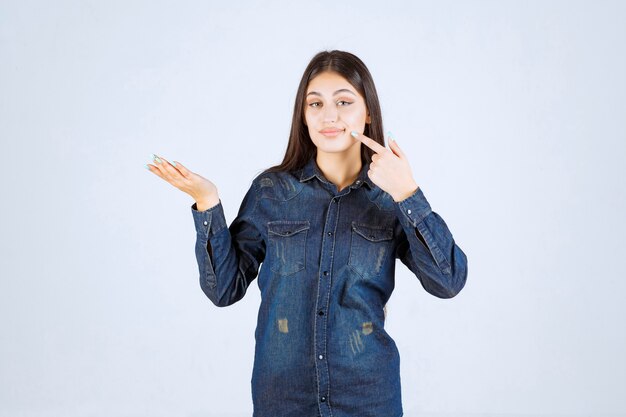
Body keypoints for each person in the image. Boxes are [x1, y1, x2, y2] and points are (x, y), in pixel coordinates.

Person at [146, 50, 468, 417]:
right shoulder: (271, 191)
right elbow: (223, 289)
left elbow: (448, 282)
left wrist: (408, 193)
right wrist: (207, 202)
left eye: (343, 102)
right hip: (283, 399)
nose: (328, 115)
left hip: (368, 398)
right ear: (303, 115)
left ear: (368, 113)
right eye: (315, 103)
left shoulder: (390, 199)